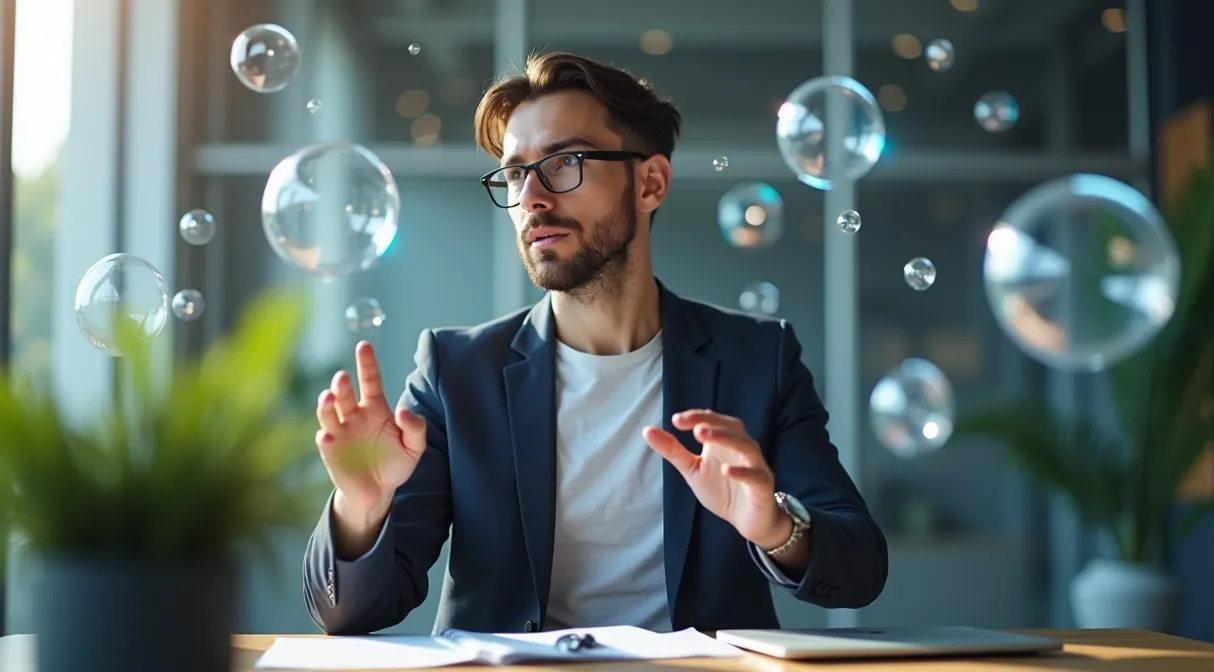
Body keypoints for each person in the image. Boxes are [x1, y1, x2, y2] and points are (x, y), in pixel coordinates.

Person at [303, 51, 888, 636]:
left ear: (650, 182)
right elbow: (351, 614)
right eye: (514, 172)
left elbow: (860, 569)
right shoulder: (456, 374)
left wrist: (777, 527)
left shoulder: (759, 360)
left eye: (564, 162)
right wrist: (361, 508)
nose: (531, 196)